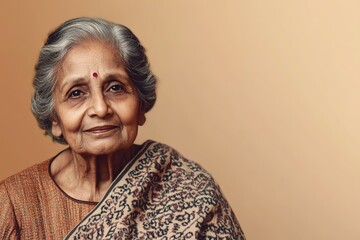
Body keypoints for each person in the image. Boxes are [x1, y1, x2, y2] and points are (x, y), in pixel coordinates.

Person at [0, 17, 246, 239]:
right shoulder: (14, 203)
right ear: (54, 118)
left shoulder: (192, 192)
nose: (100, 108)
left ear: (140, 106)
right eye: (76, 93)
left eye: (115, 88)